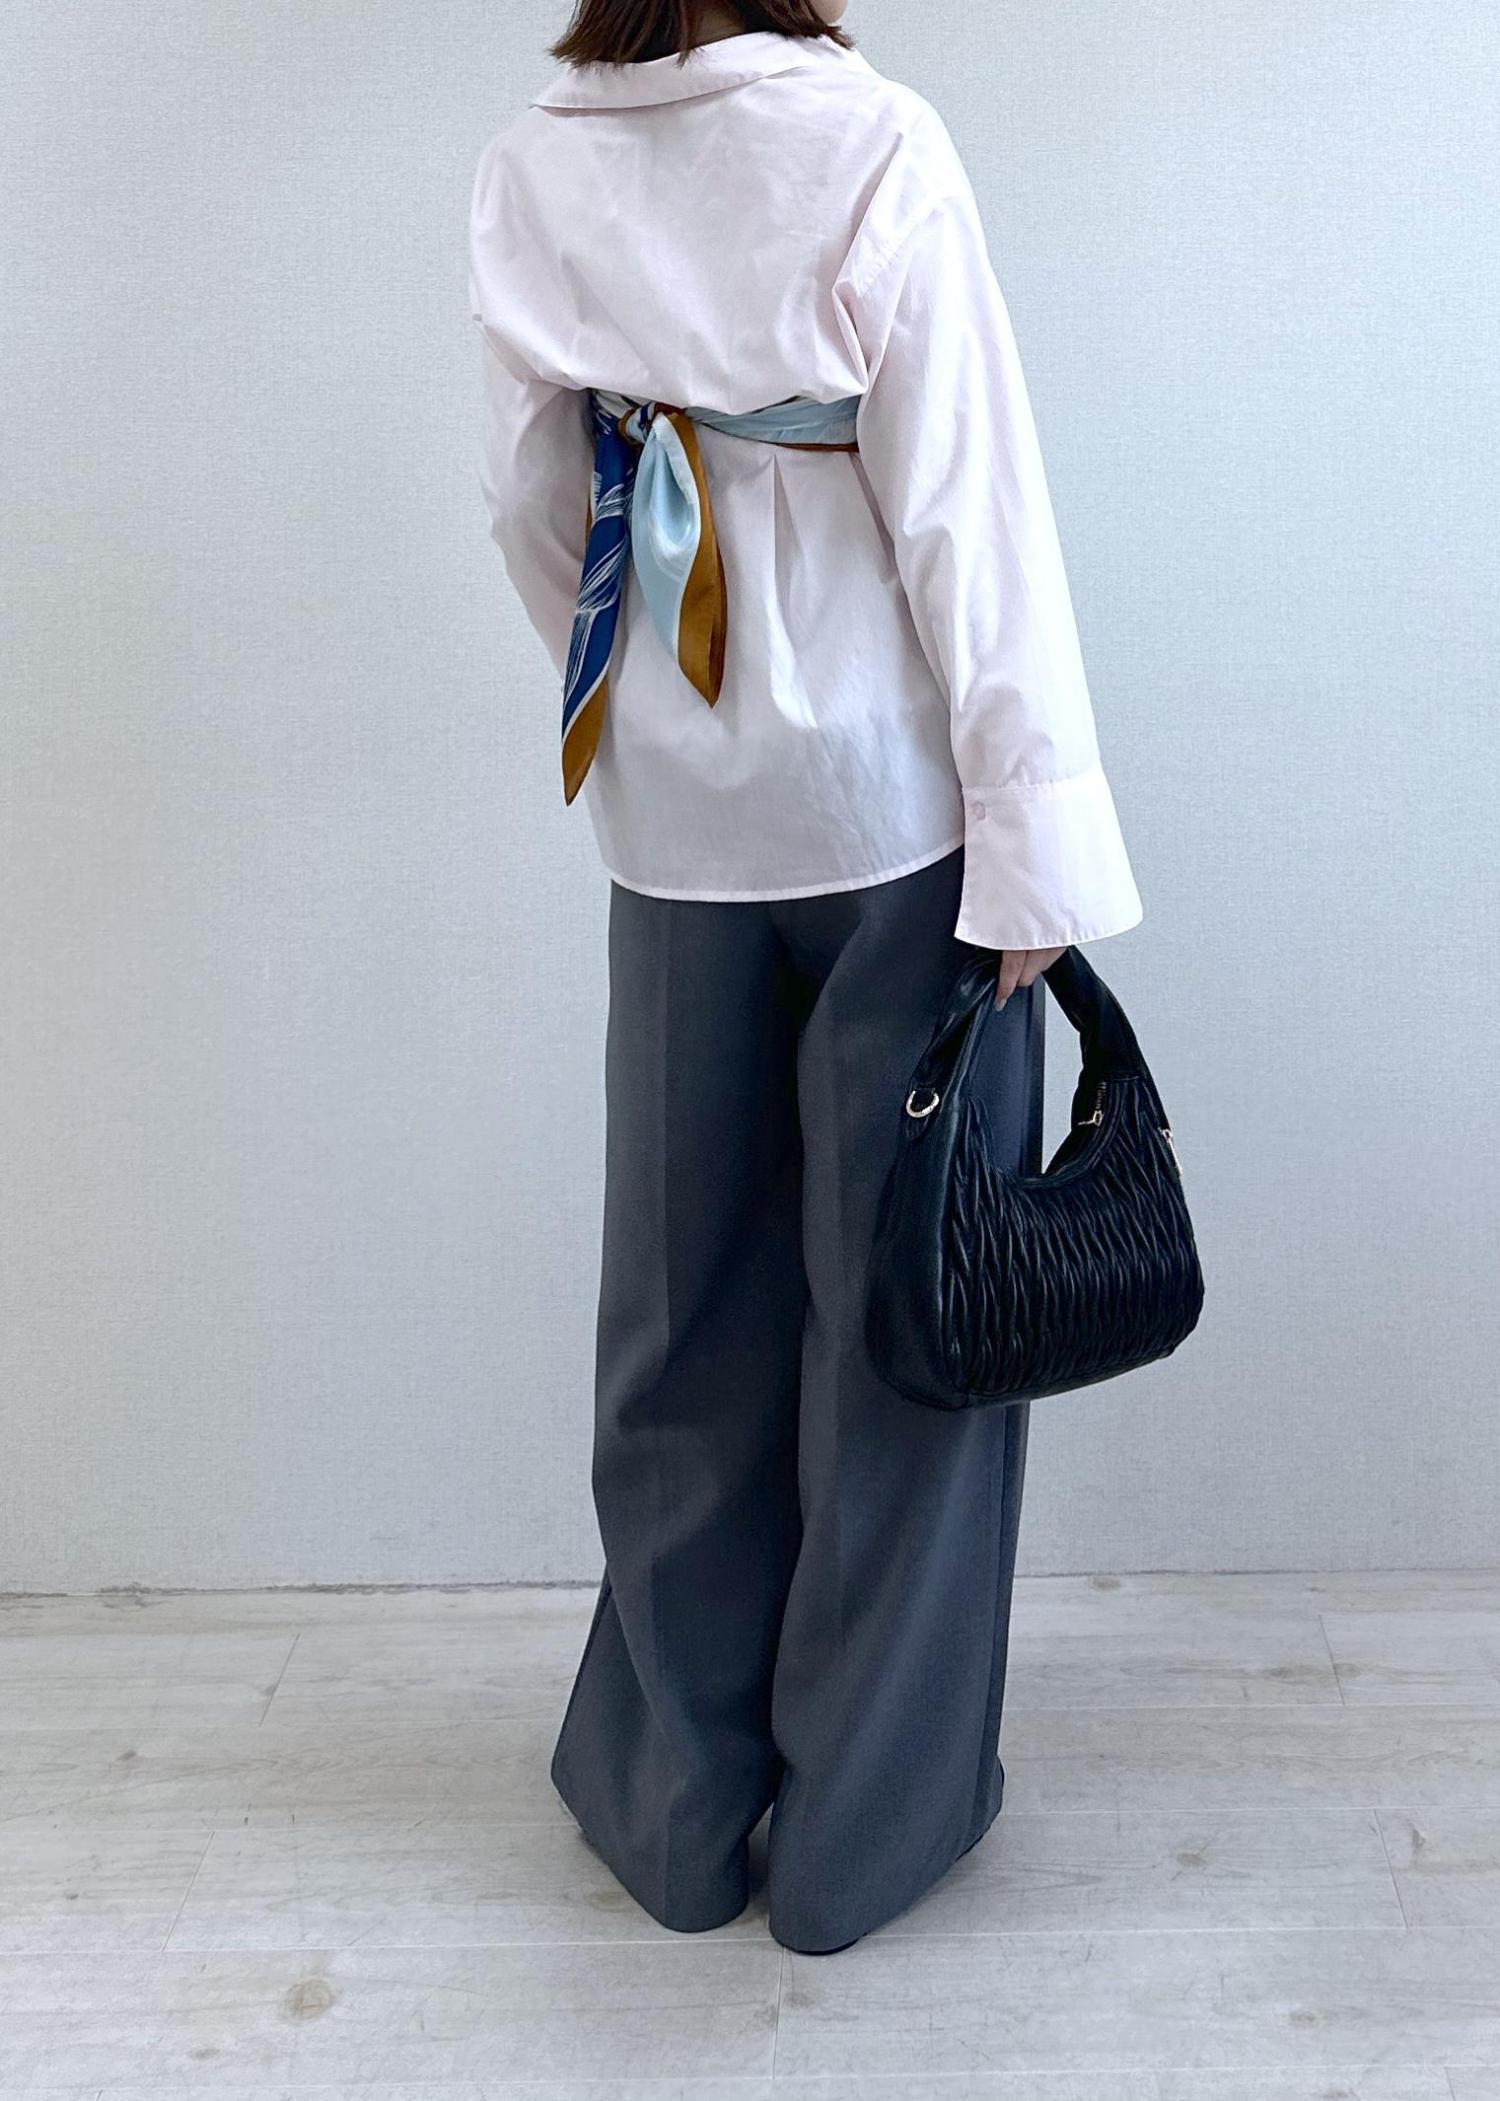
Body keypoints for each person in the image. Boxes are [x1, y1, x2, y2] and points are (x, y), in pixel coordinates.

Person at [467, 0, 1142, 1954]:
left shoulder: (537, 161)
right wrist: (1034, 836)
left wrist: (654, 712)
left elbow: (531, 504)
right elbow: (970, 520)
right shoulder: (873, 145)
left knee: (681, 1310)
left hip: (676, 827)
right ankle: (860, 1833)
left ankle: (677, 1809)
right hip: (893, 821)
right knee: (908, 1319)